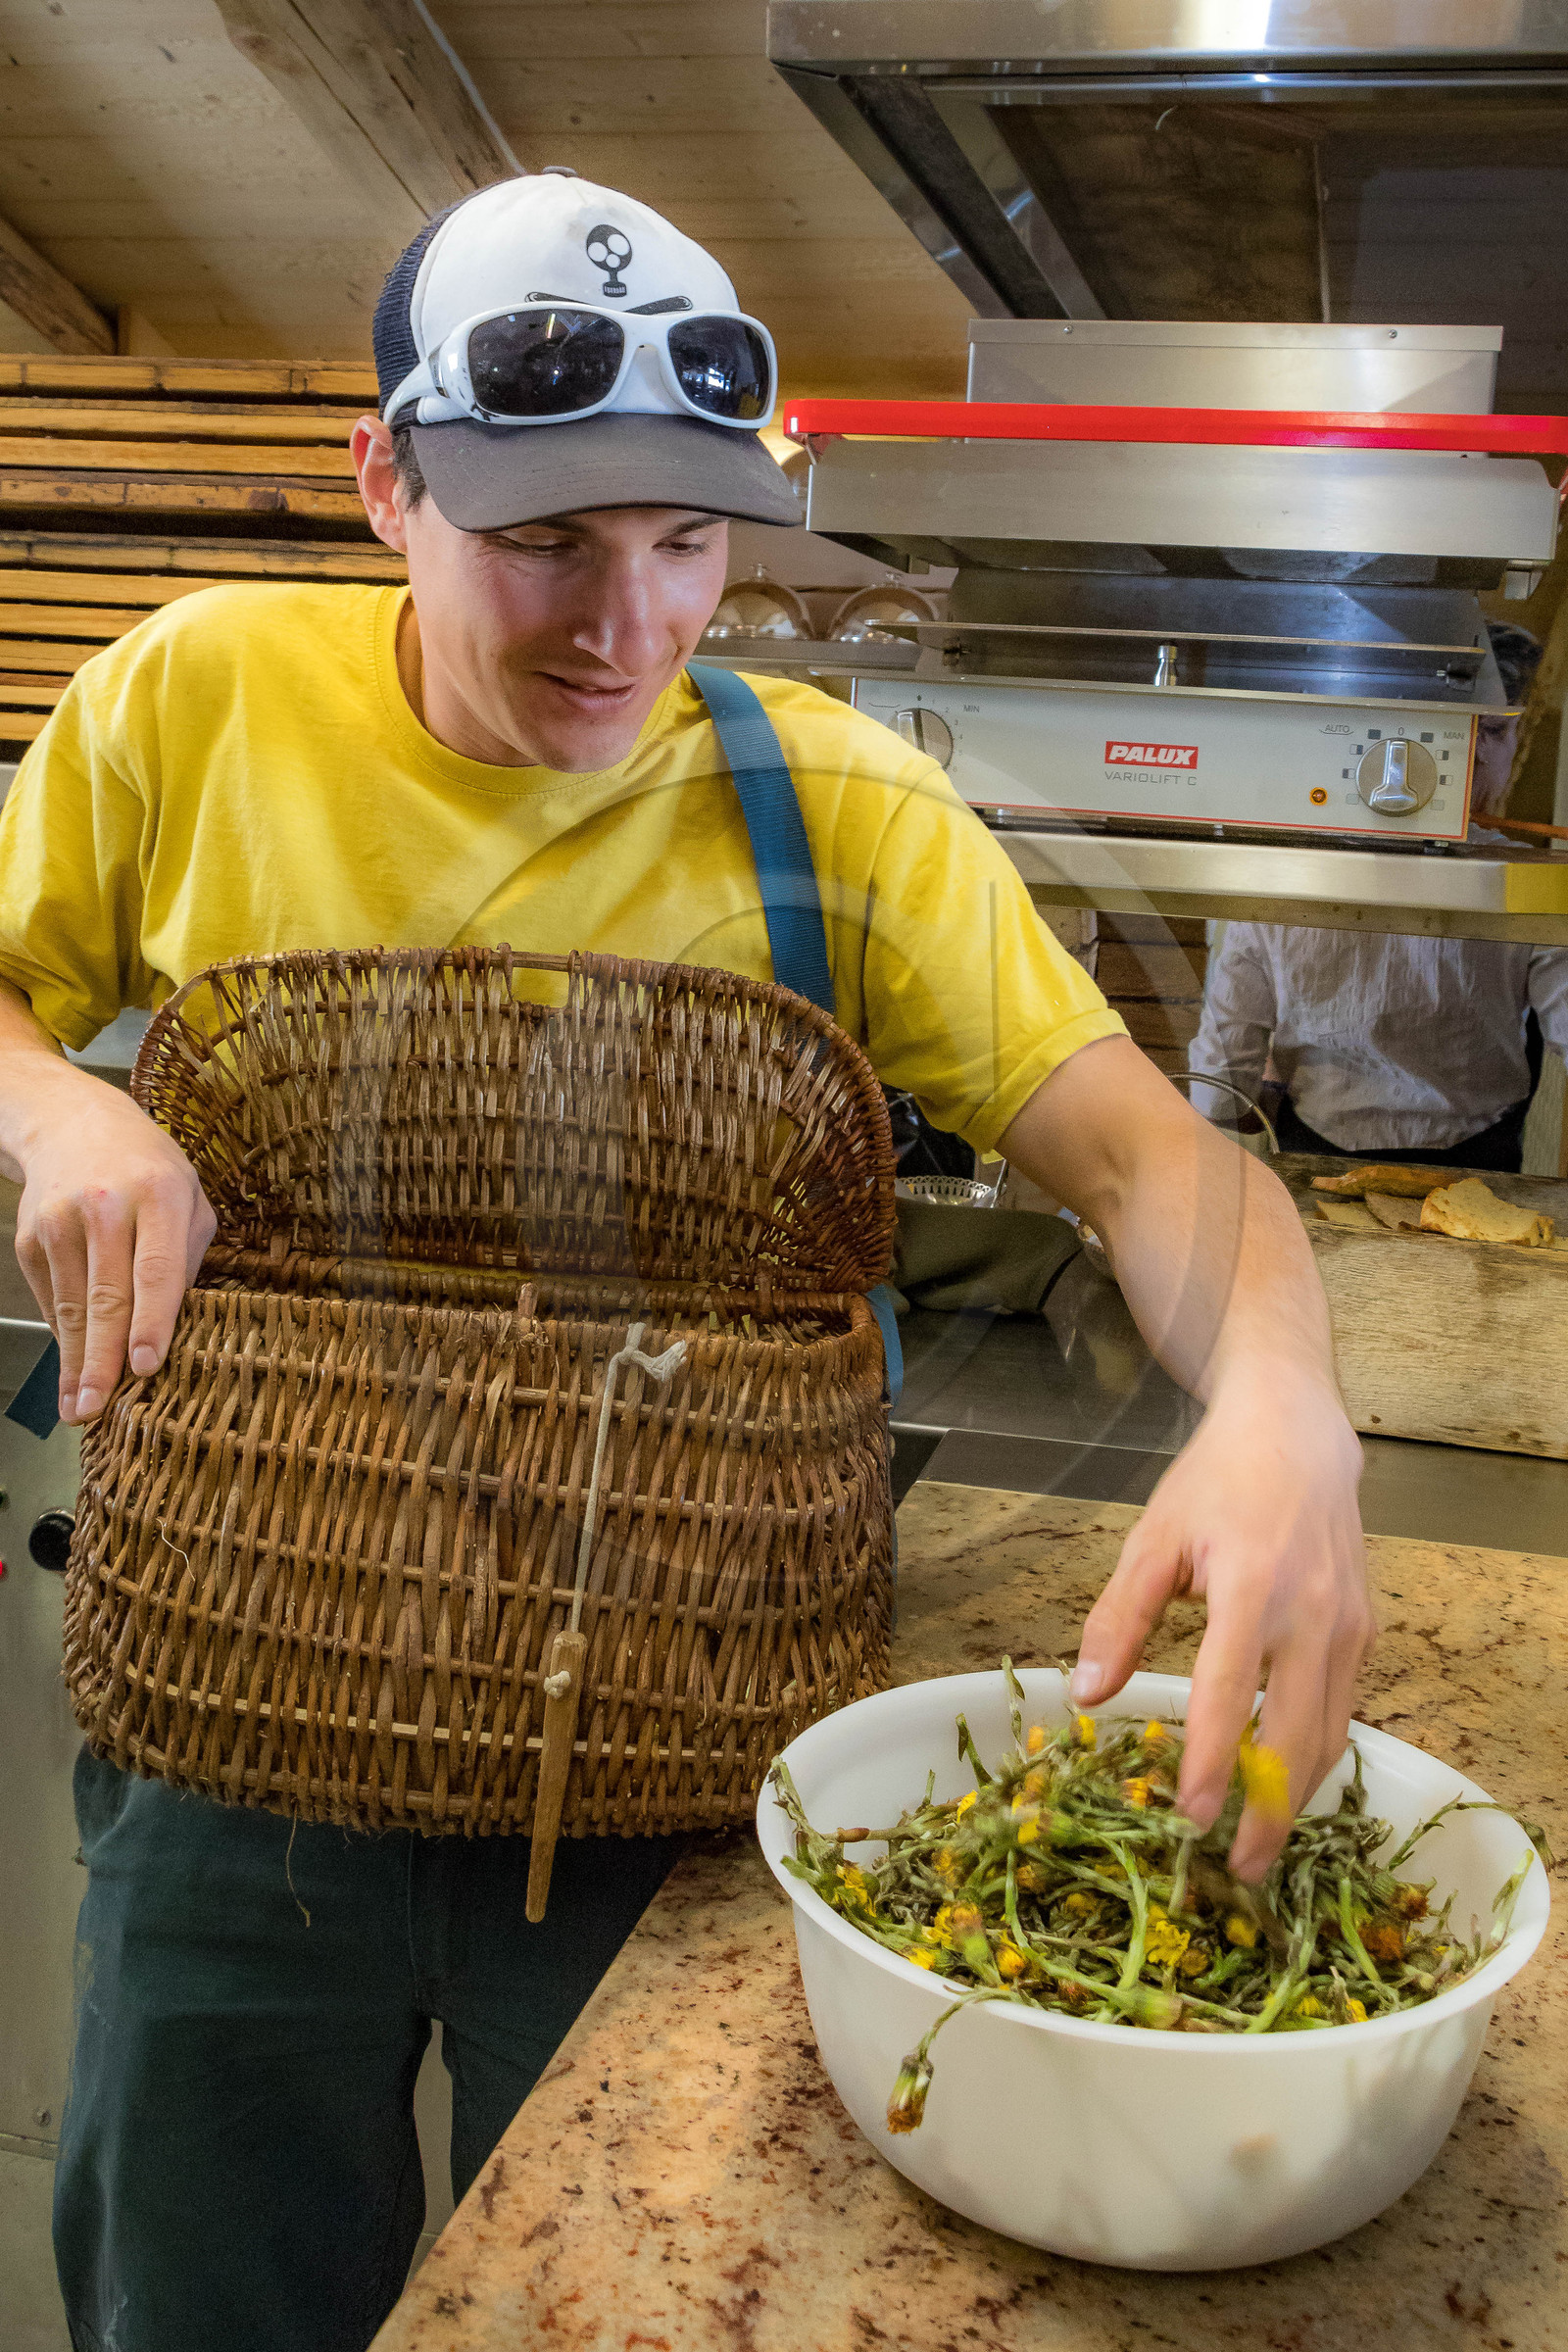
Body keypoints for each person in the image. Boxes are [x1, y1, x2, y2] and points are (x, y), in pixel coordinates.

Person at [0, 173, 1370, 2352]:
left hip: (678, 1757)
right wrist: (54, 1100)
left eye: (685, 542)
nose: (626, 625)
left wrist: (1283, 1403)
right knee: (198, 2286)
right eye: (545, 536)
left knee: (631, 2288)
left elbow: (1141, 1153)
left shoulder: (837, 808)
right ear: (385, 476)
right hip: (236, 1750)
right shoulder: (194, 701)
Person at [1190, 626, 1568, 1168]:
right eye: (1505, 733)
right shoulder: (1531, 880)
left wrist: (1258, 1097)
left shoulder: (1284, 871)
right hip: (1480, 1171)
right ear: (1481, 743)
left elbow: (1220, 1094)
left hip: (1316, 1159)